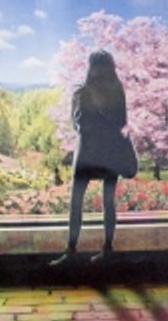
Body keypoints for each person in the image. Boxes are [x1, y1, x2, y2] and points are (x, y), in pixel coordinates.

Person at [51, 48, 133, 265]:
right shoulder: (114, 91)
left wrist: (92, 114)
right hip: (107, 151)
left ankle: (72, 250)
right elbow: (120, 122)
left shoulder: (82, 92)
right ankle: (105, 249)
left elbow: (78, 125)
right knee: (106, 201)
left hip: (88, 150)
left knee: (78, 201)